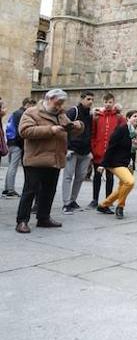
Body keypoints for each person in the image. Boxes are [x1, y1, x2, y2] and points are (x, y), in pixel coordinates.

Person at [15, 89, 84, 233]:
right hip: (36, 159)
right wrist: (51, 129)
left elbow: (69, 130)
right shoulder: (32, 112)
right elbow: (25, 131)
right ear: (48, 98)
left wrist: (78, 126)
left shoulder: (61, 115)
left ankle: (43, 218)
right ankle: (22, 221)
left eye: (61, 104)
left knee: (49, 190)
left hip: (55, 159)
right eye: (57, 103)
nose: (59, 106)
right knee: (30, 191)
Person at [96, 110, 137, 218]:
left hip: (129, 163)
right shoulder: (121, 130)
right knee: (129, 182)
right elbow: (111, 147)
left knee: (123, 187)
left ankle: (103, 205)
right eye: (134, 116)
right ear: (127, 118)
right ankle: (120, 207)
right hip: (116, 162)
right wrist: (103, 164)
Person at [89, 93, 125, 209]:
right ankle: (94, 200)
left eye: (110, 102)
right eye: (106, 102)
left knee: (110, 177)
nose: (108, 104)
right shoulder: (97, 116)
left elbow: (124, 129)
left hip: (111, 154)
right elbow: (93, 134)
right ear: (103, 102)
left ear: (113, 103)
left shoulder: (118, 117)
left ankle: (108, 200)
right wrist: (93, 148)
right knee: (97, 177)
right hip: (98, 152)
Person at [61, 90, 94, 214]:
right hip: (72, 150)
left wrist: (90, 150)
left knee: (80, 177)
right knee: (68, 177)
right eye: (88, 99)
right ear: (82, 99)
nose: (90, 102)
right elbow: (64, 128)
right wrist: (67, 147)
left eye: (92, 99)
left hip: (85, 151)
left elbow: (90, 132)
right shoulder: (73, 111)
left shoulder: (90, 115)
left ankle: (73, 201)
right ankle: (66, 203)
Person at [3, 97, 37, 197]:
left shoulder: (16, 112)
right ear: (28, 104)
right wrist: (23, 145)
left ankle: (7, 188)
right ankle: (10, 190)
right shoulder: (22, 114)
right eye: (32, 106)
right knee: (13, 166)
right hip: (17, 144)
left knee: (11, 166)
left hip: (11, 142)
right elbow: (21, 131)